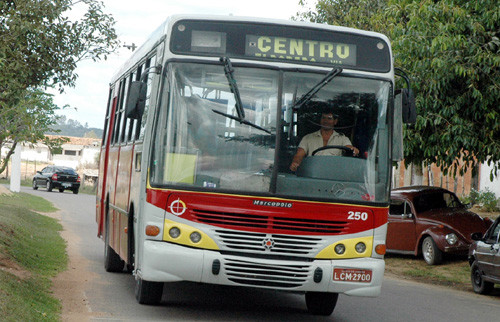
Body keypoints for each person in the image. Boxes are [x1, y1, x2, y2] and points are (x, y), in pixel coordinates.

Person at [289, 110, 359, 171]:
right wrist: (295, 163)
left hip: (334, 176)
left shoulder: (342, 138)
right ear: (320, 120)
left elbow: (349, 148)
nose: (326, 121)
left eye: (329, 118)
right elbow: (299, 155)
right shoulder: (308, 138)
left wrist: (353, 150)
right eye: (323, 118)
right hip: (312, 175)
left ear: (335, 121)